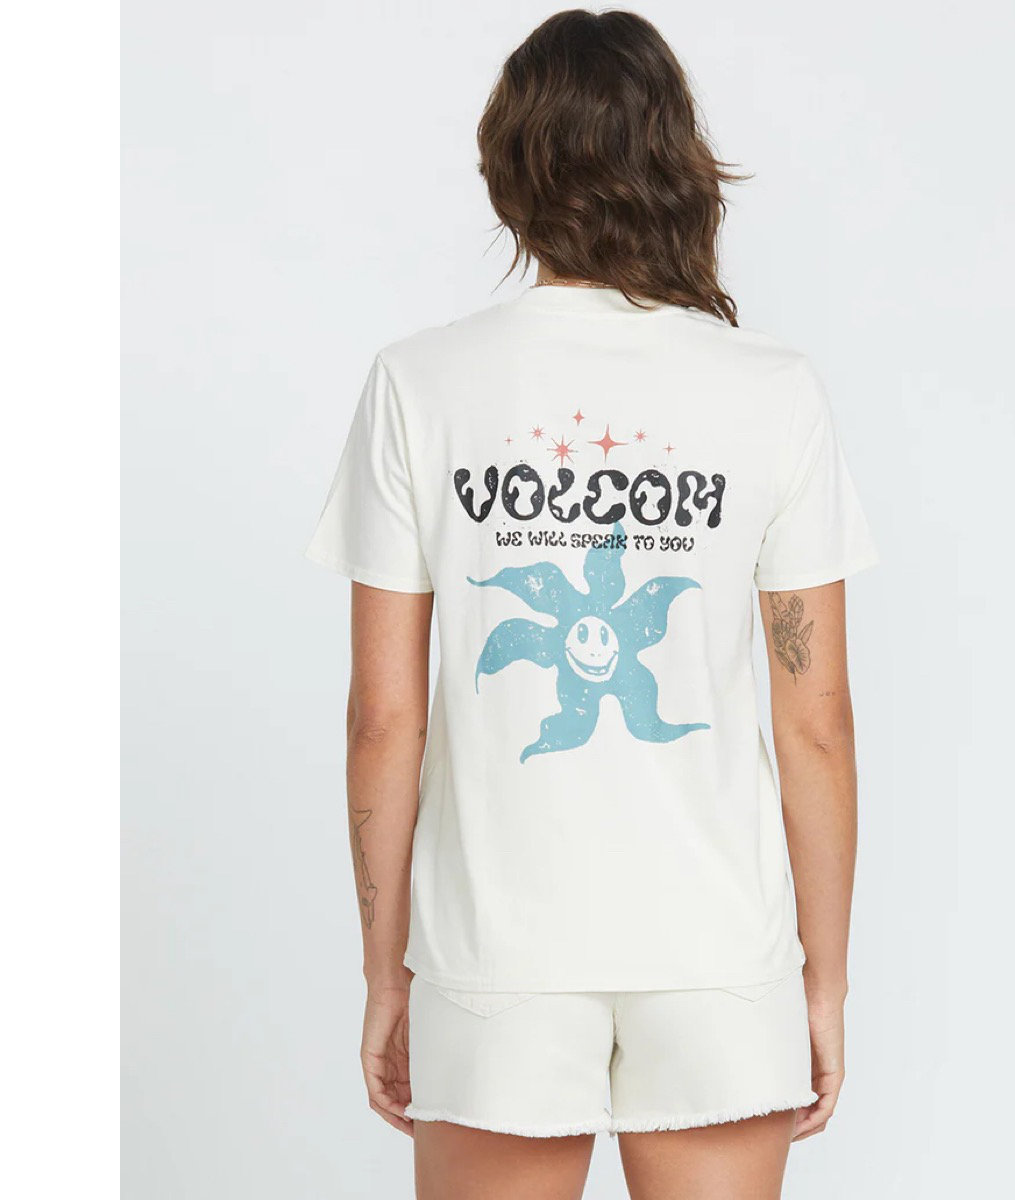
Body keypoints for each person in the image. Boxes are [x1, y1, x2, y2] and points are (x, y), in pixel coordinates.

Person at [307, 10, 876, 1198]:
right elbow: (815, 719)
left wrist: (384, 971)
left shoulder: (421, 385)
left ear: (507, 166)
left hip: (494, 956)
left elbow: (383, 717)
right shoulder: (771, 392)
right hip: (718, 955)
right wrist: (821, 981)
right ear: (678, 161)